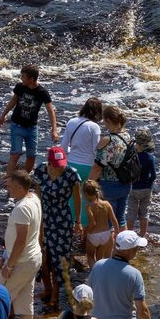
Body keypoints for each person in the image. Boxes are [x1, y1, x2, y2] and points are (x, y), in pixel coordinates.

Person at [35, 146, 81, 312]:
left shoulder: (71, 173)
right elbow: (37, 197)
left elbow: (77, 198)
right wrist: (36, 220)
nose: (60, 167)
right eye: (57, 164)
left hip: (62, 219)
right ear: (49, 162)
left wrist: (77, 222)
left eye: (62, 164)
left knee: (58, 258)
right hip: (44, 217)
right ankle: (46, 288)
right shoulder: (40, 171)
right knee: (43, 256)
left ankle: (55, 293)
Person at [0, 64, 58, 177]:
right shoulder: (20, 87)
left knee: (31, 156)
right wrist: (3, 115)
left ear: (31, 79)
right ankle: (8, 180)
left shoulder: (42, 92)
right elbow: (13, 101)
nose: (21, 79)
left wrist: (54, 129)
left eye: (23, 77)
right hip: (17, 126)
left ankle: (23, 179)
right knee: (15, 154)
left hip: (31, 128)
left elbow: (50, 111)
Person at [2, 170, 43, 319]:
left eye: (10, 187)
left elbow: (21, 241)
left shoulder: (22, 208)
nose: (8, 189)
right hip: (33, 257)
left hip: (22, 262)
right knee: (26, 303)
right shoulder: (34, 198)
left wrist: (9, 266)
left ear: (20, 187)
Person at [60, 97, 103, 228]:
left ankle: (69, 224)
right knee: (87, 199)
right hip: (88, 167)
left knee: (71, 197)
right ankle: (84, 227)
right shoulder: (94, 127)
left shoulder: (71, 122)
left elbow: (63, 146)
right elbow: (96, 150)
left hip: (71, 164)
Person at [91, 105, 136, 225]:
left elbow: (97, 167)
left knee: (107, 222)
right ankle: (123, 243)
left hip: (108, 185)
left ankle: (109, 244)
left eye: (104, 120)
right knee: (120, 220)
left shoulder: (108, 140)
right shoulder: (127, 136)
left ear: (108, 120)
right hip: (125, 183)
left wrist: (87, 185)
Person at [127, 128, 157, 236]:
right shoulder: (150, 158)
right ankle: (142, 236)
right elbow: (153, 176)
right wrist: (149, 183)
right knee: (144, 214)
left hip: (133, 188)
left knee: (131, 213)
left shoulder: (131, 155)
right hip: (146, 189)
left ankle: (129, 235)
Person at [81, 180, 117, 263]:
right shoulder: (106, 203)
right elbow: (114, 220)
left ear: (86, 194)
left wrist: (85, 233)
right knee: (100, 258)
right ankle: (102, 273)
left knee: (90, 256)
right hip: (106, 234)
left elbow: (93, 223)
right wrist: (116, 233)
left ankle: (94, 273)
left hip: (94, 235)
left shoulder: (89, 207)